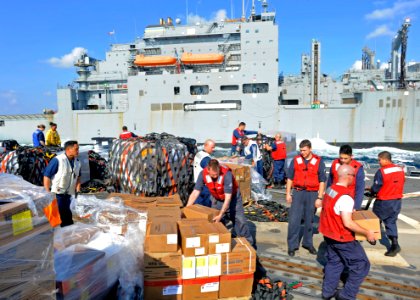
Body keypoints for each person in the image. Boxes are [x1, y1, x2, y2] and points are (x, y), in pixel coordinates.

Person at [319, 164, 375, 300]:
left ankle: (328, 292)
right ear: (349, 176)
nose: (354, 179)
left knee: (335, 262)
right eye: (353, 176)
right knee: (361, 265)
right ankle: (346, 295)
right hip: (342, 237)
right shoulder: (346, 197)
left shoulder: (330, 189)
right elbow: (347, 223)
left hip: (328, 234)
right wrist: (367, 232)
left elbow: (331, 209)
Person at [187, 159, 255, 248]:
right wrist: (187, 208)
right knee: (216, 223)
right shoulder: (202, 174)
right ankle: (221, 244)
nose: (215, 176)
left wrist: (221, 214)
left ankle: (250, 247)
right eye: (213, 175)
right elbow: (196, 192)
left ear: (219, 169)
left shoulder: (227, 174)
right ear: (208, 170)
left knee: (240, 221)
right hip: (217, 199)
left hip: (233, 199)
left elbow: (228, 198)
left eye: (216, 174)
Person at [286, 139, 326, 256]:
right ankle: (292, 245)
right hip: (298, 193)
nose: (302, 152)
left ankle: (308, 243)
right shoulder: (296, 160)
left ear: (310, 149)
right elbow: (290, 178)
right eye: (301, 150)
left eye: (304, 150)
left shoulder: (319, 161)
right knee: (294, 220)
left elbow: (322, 181)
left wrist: (319, 198)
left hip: (312, 194)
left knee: (309, 220)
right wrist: (288, 193)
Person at [369, 151, 405, 257]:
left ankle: (372, 238)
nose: (379, 162)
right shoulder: (400, 169)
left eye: (379, 160)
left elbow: (376, 187)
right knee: (391, 222)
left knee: (375, 220)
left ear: (385, 159)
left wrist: (371, 191)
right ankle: (395, 244)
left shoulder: (381, 171)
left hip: (384, 201)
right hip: (397, 201)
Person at [43, 140, 81, 227]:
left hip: (69, 194)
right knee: (58, 218)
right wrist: (47, 191)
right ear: (68, 149)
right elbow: (47, 176)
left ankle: (68, 234)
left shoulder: (77, 162)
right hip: (57, 194)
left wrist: (78, 191)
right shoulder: (58, 160)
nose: (78, 151)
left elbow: (78, 177)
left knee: (68, 217)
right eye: (76, 149)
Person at [327, 145, 365, 210]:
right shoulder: (335, 163)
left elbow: (360, 189)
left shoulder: (358, 168)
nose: (343, 161)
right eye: (341, 158)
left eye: (345, 158)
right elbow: (330, 182)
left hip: (348, 200)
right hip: (334, 199)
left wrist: (356, 207)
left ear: (351, 156)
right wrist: (326, 199)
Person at [193, 139, 216, 207]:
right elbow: (212, 171)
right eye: (212, 147)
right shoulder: (206, 158)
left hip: (197, 183)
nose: (213, 149)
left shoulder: (199, 154)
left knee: (197, 206)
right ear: (206, 146)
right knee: (206, 207)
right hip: (205, 186)